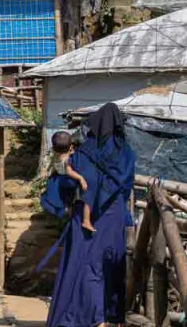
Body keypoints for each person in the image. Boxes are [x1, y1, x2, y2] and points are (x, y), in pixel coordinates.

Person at [45, 103, 136, 327]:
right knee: (109, 265)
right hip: (113, 218)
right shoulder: (127, 155)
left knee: (83, 265)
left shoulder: (83, 153)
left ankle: (86, 317)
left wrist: (63, 202)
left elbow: (65, 181)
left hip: (84, 220)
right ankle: (108, 316)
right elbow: (126, 187)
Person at [49, 130, 95, 232]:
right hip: (69, 181)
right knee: (87, 197)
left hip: (61, 182)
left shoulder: (56, 157)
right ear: (71, 147)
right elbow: (69, 172)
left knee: (68, 205)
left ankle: (68, 221)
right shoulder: (68, 159)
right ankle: (85, 220)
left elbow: (54, 169)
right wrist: (81, 178)